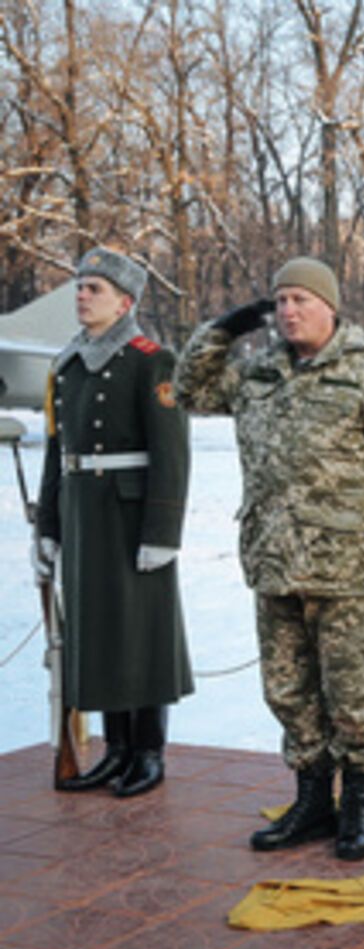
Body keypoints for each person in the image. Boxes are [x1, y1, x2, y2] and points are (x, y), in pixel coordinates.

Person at [174, 257, 364, 861]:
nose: (289, 311)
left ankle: (358, 803)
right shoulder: (259, 374)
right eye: (280, 300)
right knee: (287, 690)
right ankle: (313, 798)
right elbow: (189, 390)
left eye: (301, 300)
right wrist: (222, 329)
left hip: (348, 568)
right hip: (274, 561)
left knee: (349, 694)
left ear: (331, 307)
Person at [34, 247, 192, 798]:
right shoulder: (69, 364)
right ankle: (117, 750)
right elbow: (59, 454)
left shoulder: (152, 360)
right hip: (84, 515)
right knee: (99, 631)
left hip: (131, 515)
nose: (81, 295)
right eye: (79, 286)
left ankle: (148, 750)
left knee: (141, 633)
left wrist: (163, 533)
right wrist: (48, 527)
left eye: (93, 288)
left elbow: (172, 453)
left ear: (124, 302)